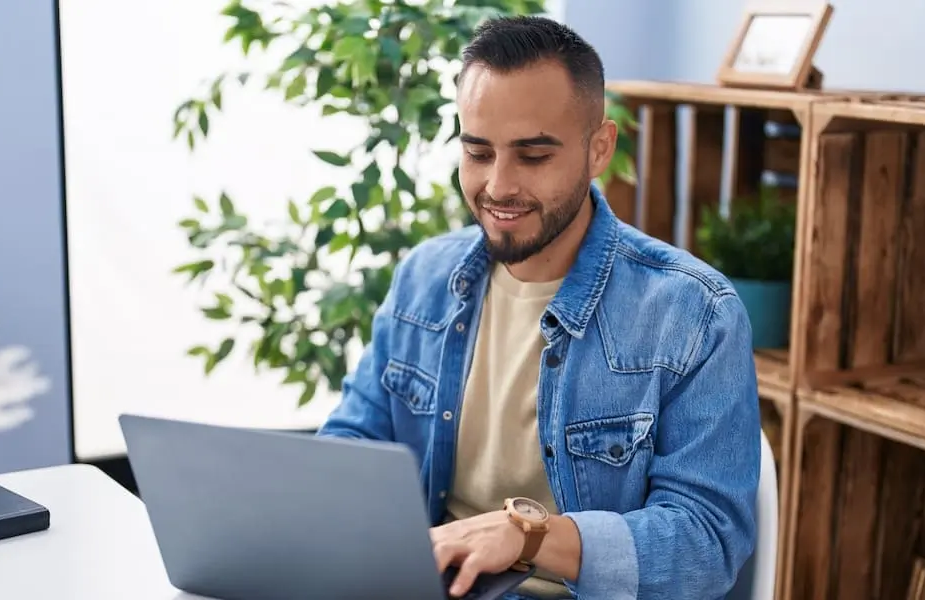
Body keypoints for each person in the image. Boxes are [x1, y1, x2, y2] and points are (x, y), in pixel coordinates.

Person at [317, 15, 760, 600]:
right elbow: (354, 443)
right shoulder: (423, 278)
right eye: (478, 151)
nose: (499, 186)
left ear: (599, 147)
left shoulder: (695, 314)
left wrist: (528, 536)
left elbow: (705, 545)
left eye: (533, 156)